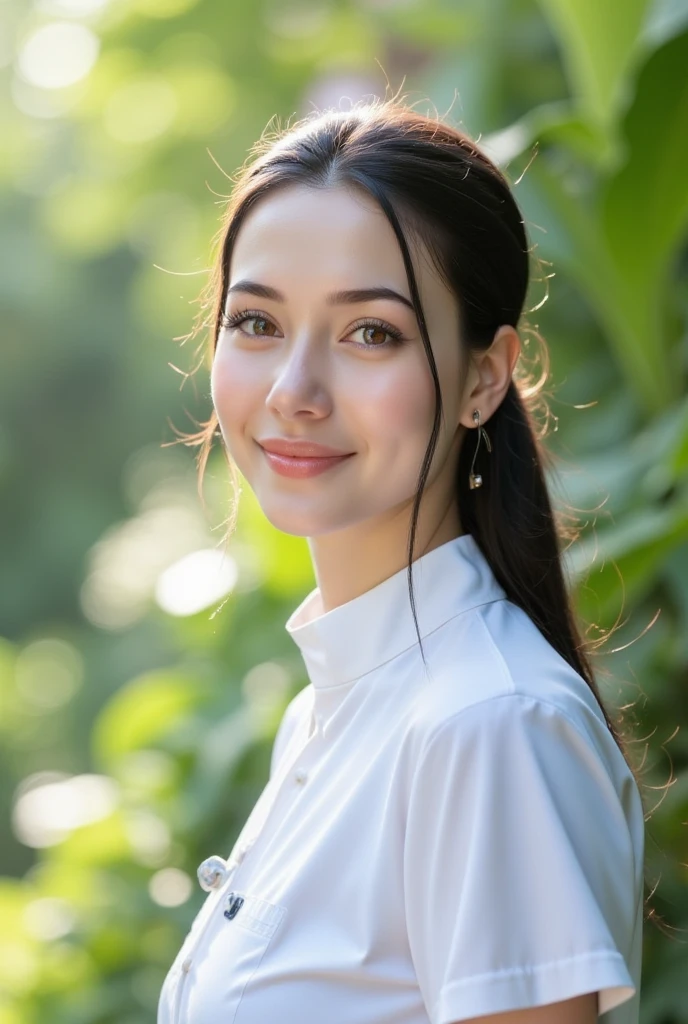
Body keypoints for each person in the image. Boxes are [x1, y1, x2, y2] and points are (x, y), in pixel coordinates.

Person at [157, 98, 646, 1024]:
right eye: (256, 323)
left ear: (482, 379)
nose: (294, 391)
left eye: (370, 333)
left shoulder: (487, 726)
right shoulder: (329, 713)